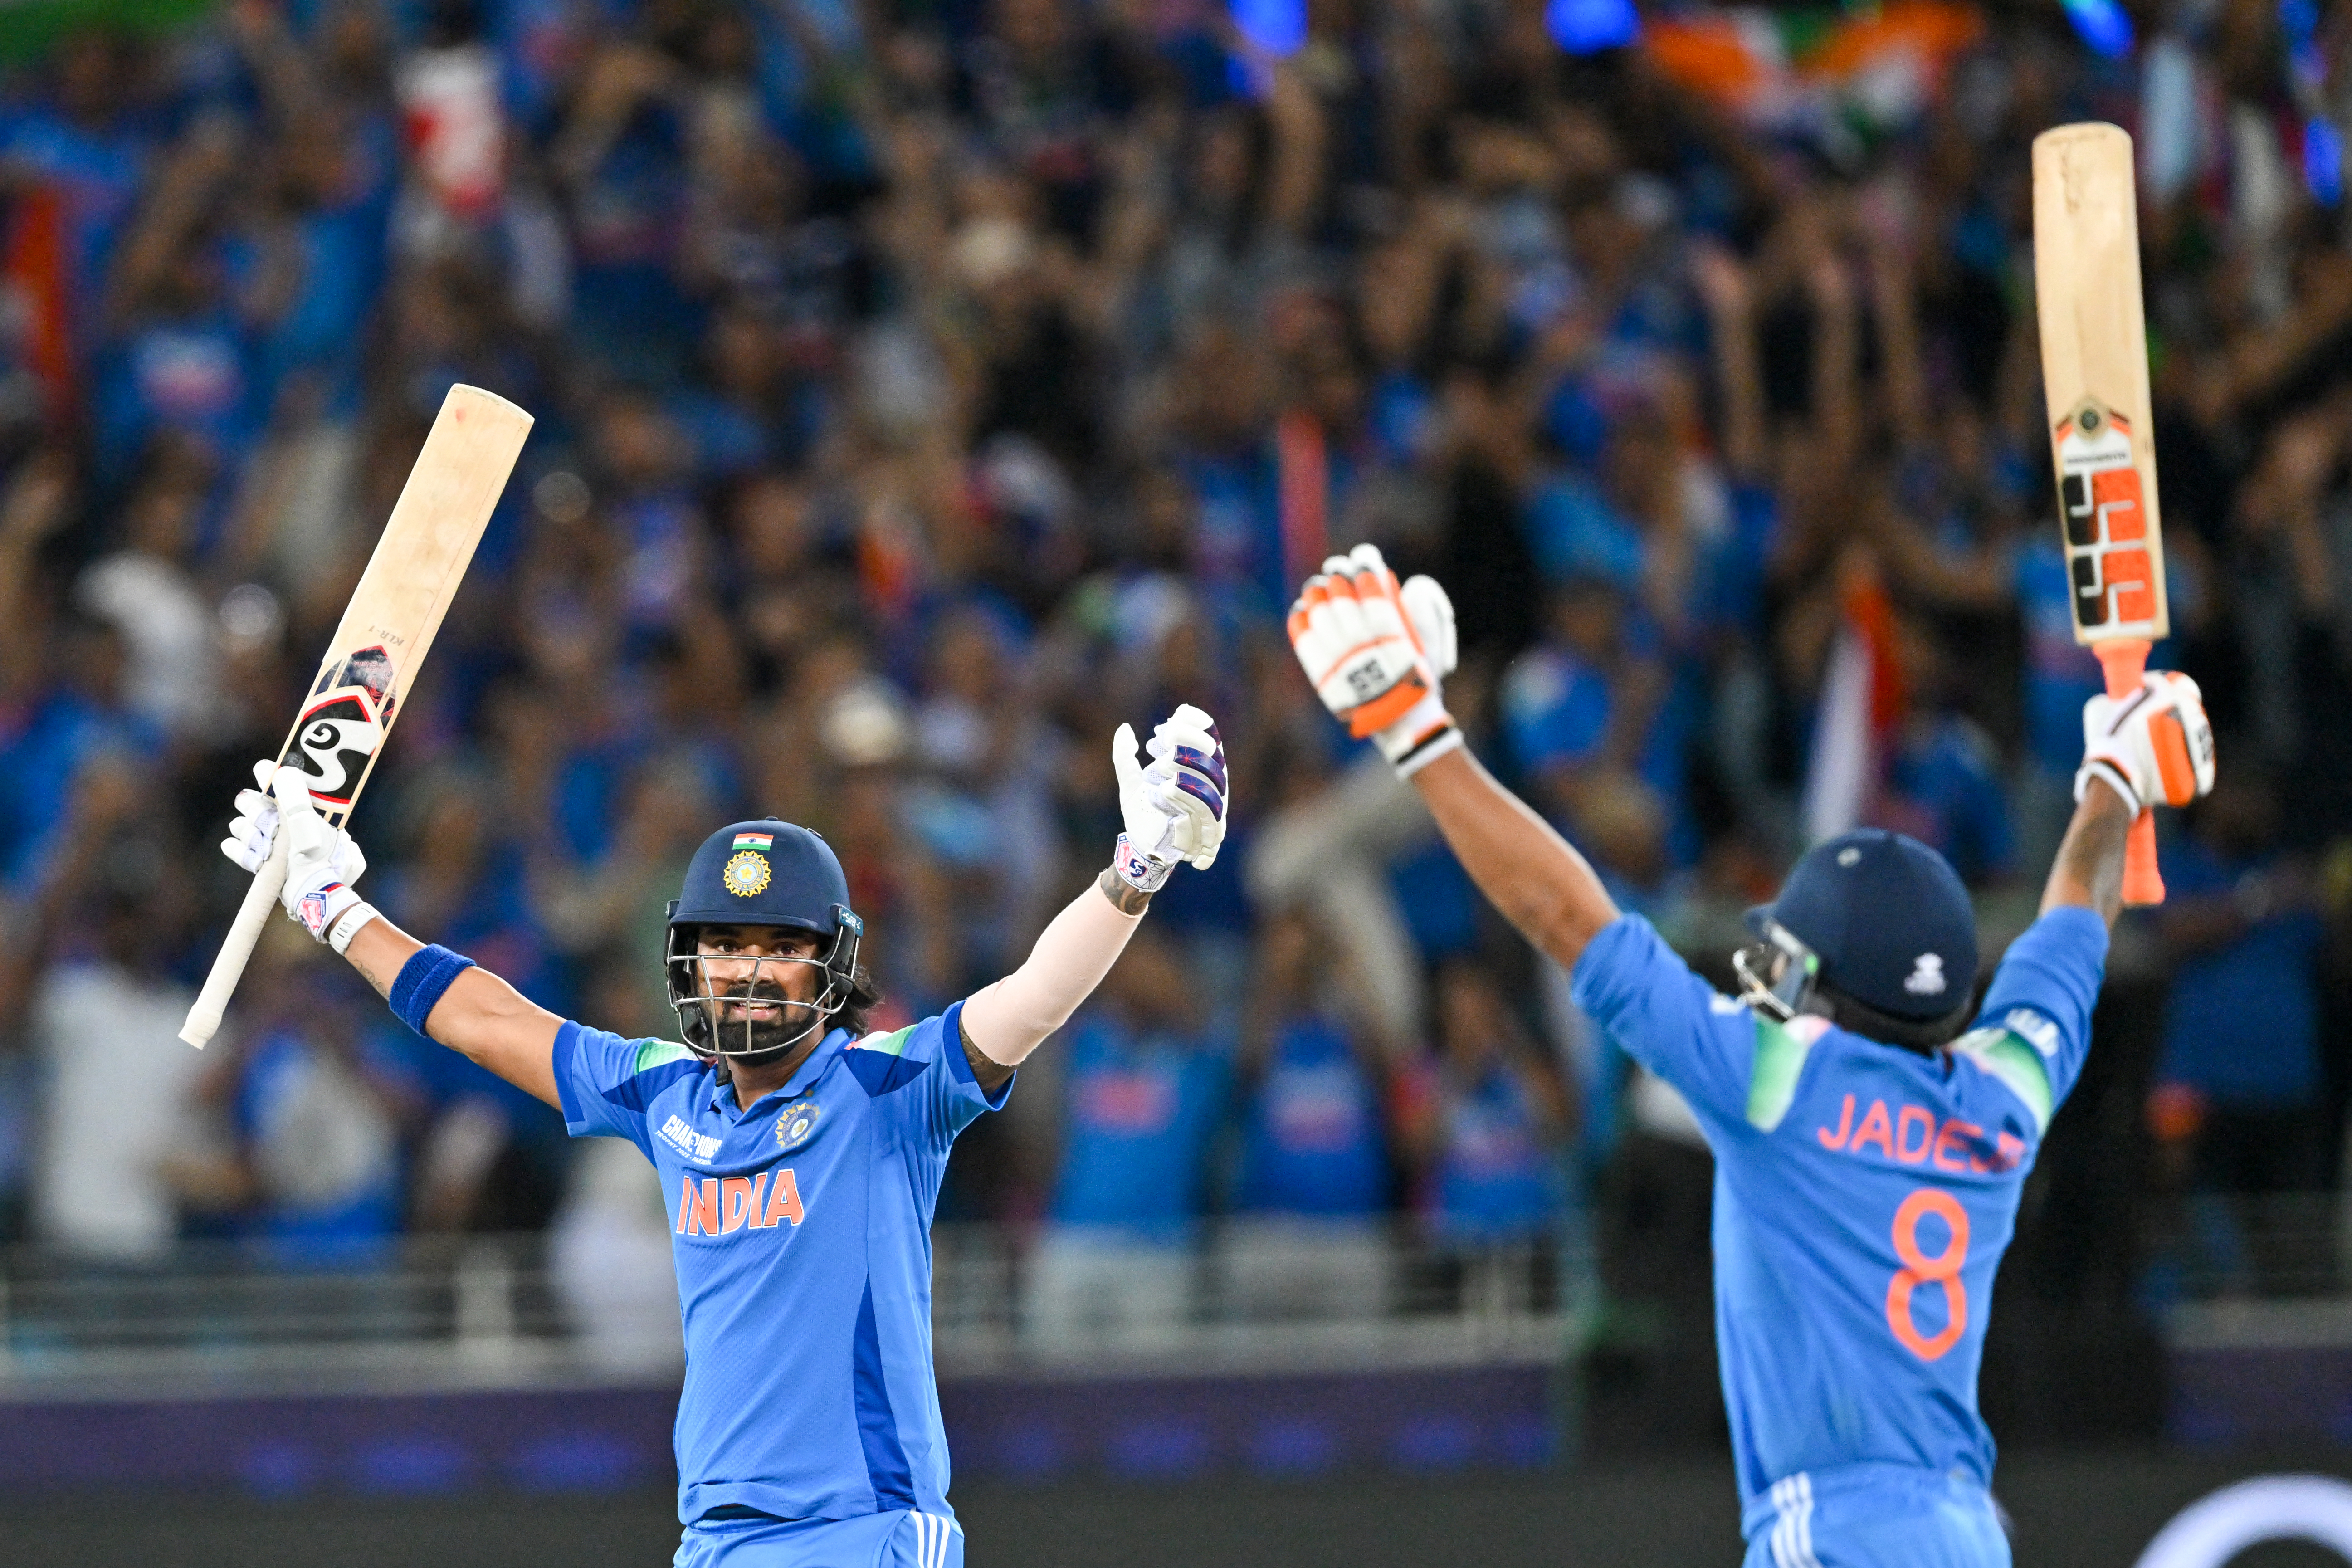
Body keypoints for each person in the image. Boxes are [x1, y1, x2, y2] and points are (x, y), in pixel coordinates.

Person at [1287, 544, 2215, 1568]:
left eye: (1786, 963)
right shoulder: (2003, 1091)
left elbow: (1561, 912)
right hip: (1960, 1527)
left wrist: (1414, 732)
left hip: (1837, 1534)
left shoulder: (1778, 1084)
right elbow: (2074, 923)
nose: (1764, 984)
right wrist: (2117, 784)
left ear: (1832, 986)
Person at [218, 703, 1230, 1568]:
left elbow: (1032, 1001)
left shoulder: (884, 1089)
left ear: (829, 966)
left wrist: (1132, 872)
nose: (747, 971)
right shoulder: (665, 1096)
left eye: (779, 948)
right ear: (686, 966)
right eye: (725, 945)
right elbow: (489, 1020)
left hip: (864, 1532)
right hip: (714, 1540)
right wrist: (330, 905)